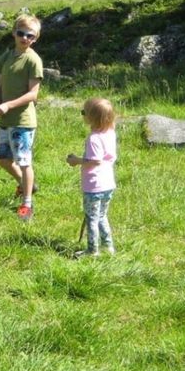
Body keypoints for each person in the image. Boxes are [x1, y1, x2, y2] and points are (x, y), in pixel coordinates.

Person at [0, 14, 43, 220]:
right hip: (4, 119)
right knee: (2, 159)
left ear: (35, 39)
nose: (24, 38)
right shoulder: (7, 56)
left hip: (22, 122)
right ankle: (26, 184)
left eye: (29, 35)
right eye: (21, 33)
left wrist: (8, 105)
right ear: (14, 33)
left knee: (24, 161)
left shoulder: (33, 60)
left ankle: (27, 204)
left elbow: (33, 94)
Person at [67, 96, 117, 255]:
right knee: (102, 216)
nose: (82, 115)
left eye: (84, 112)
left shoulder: (94, 139)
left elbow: (94, 161)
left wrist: (76, 160)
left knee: (92, 218)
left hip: (94, 186)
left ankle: (92, 250)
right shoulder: (110, 132)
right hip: (108, 184)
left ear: (91, 118)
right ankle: (108, 246)